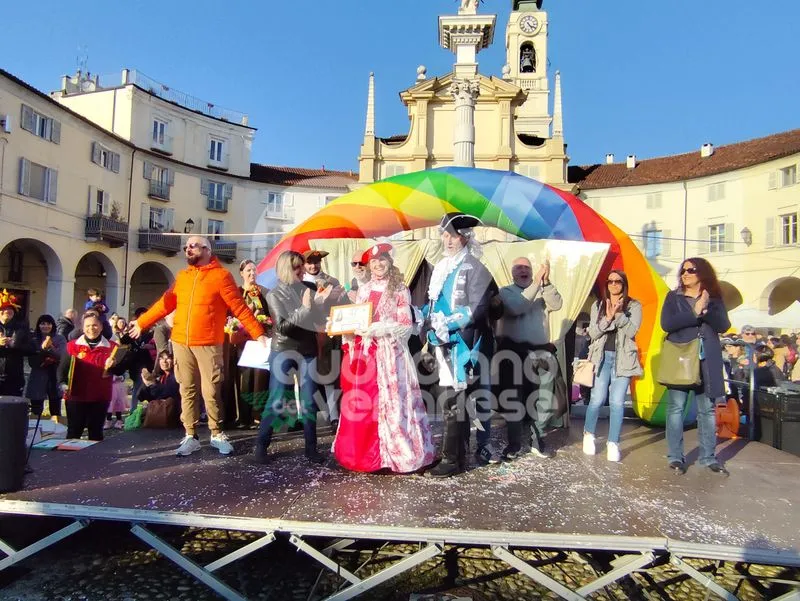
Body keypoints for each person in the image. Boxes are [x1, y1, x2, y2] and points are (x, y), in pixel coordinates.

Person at [129, 236, 267, 457]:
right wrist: (142, 322)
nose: (187, 250)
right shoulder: (183, 277)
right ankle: (190, 434)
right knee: (187, 389)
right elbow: (165, 303)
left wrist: (258, 333)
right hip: (182, 342)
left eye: (192, 246)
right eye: (186, 247)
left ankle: (216, 432)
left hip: (209, 343)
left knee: (211, 390)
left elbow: (239, 308)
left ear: (206, 249)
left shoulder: (221, 276)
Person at [333, 243, 436, 473]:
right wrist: (348, 330)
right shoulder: (363, 288)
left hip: (390, 354)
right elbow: (356, 318)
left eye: (382, 260)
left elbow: (405, 326)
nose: (378, 264)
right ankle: (362, 454)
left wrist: (379, 328)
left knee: (393, 402)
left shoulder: (399, 288)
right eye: (373, 261)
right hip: (366, 353)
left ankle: (394, 454)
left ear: (389, 261)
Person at [423, 213, 497, 477]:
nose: (447, 240)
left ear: (465, 237)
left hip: (464, 346)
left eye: (452, 235)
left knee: (453, 403)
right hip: (443, 343)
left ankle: (451, 459)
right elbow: (432, 302)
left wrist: (447, 323)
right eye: (444, 235)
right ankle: (458, 455)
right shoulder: (442, 266)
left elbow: (476, 309)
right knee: (452, 402)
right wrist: (422, 316)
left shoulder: (476, 268)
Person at [254, 250, 328, 464]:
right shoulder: (274, 294)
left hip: (307, 350)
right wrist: (306, 307)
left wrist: (322, 303)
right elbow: (285, 327)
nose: (303, 270)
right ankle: (261, 445)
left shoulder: (310, 288)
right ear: (287, 269)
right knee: (277, 398)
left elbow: (316, 319)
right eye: (297, 267)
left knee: (309, 399)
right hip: (283, 349)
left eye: (302, 266)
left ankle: (311, 448)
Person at [660, 257, 730, 475]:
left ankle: (708, 457)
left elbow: (724, 326)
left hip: (707, 360)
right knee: (676, 409)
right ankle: (675, 457)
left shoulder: (715, 299)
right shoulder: (673, 297)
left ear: (703, 274)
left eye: (691, 270)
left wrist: (707, 309)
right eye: (683, 270)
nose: (685, 273)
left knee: (707, 410)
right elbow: (667, 324)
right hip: (681, 358)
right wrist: (693, 312)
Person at [495, 257, 563, 461]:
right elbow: (517, 307)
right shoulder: (506, 291)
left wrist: (547, 283)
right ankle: (514, 444)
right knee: (514, 400)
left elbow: (557, 304)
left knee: (544, 399)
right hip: (514, 354)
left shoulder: (542, 289)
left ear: (532, 271)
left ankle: (538, 439)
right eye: (519, 268)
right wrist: (536, 284)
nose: (523, 270)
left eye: (527, 267)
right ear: (512, 273)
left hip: (542, 352)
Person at [582, 270, 642, 462]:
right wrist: (607, 318)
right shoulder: (598, 305)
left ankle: (613, 442)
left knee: (617, 403)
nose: (614, 285)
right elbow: (593, 333)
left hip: (623, 359)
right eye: (610, 281)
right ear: (606, 284)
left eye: (618, 281)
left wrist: (619, 315)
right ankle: (589, 434)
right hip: (601, 357)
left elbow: (632, 330)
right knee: (597, 399)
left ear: (624, 284)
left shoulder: (634, 305)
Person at [57, 311, 126, 441]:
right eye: (87, 326)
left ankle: (94, 460)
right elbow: (62, 368)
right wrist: (62, 384)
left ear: (101, 326)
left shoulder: (112, 347)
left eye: (95, 325)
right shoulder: (72, 346)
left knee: (96, 433)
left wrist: (114, 365)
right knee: (74, 431)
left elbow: (120, 371)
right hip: (75, 396)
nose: (91, 329)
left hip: (99, 397)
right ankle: (69, 461)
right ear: (82, 328)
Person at [303, 249, 347, 428]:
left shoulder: (332, 281)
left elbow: (341, 307)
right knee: (307, 376)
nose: (314, 265)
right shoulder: (300, 283)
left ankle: (334, 415)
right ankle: (304, 415)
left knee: (330, 375)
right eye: (310, 262)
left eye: (317, 262)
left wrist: (340, 297)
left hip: (328, 335)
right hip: (307, 335)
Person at [232, 259, 271, 429]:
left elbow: (270, 315)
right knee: (244, 379)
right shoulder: (237, 293)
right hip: (242, 342)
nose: (252, 274)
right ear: (242, 273)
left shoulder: (263, 293)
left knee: (260, 378)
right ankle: (243, 417)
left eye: (254, 270)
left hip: (259, 341)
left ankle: (258, 415)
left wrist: (265, 321)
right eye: (248, 270)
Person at [26, 314, 67, 419]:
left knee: (55, 408)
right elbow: (32, 360)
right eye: (42, 324)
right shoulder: (33, 339)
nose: (45, 326)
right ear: (38, 325)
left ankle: (56, 428)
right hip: (38, 375)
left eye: (48, 324)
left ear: (52, 325)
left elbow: (62, 356)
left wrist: (50, 348)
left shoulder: (60, 338)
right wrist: (42, 351)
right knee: (36, 408)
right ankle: (35, 429)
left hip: (54, 375)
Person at [0, 289, 35, 396]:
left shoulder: (21, 328)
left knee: (13, 408)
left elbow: (31, 349)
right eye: (6, 309)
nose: (9, 311)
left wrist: (15, 345)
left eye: (11, 310)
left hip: (14, 376)